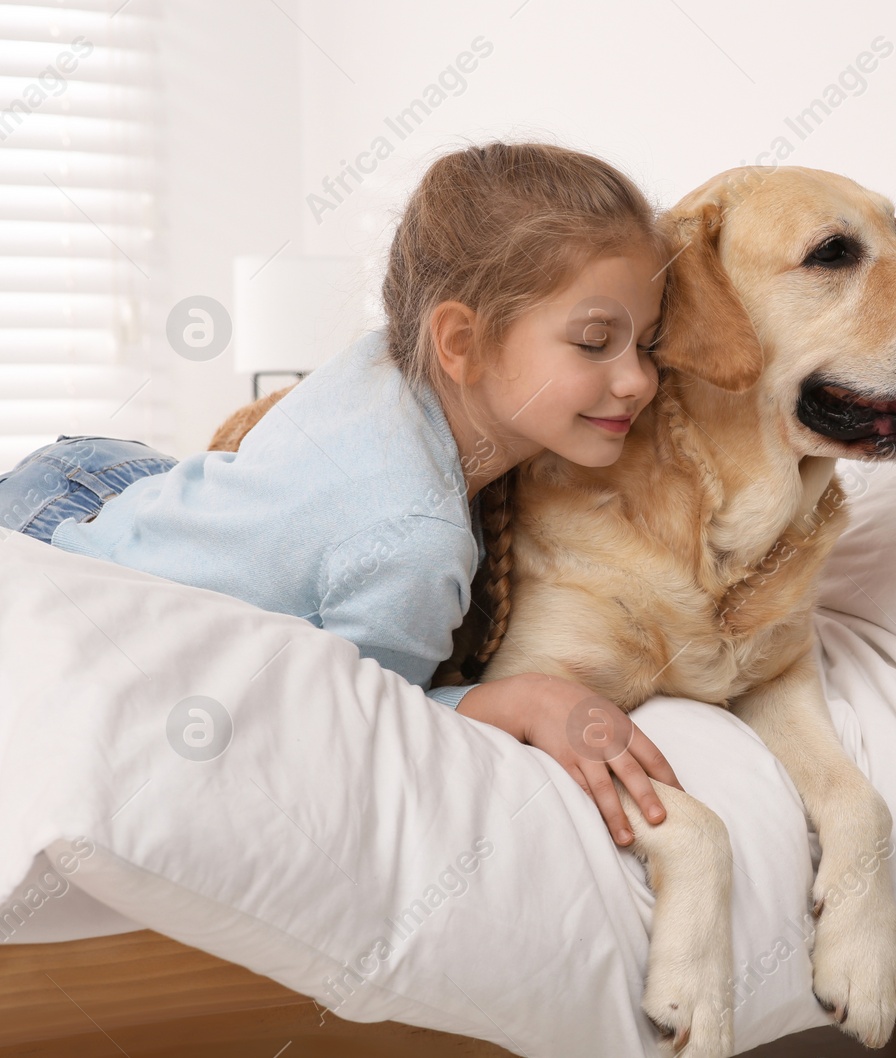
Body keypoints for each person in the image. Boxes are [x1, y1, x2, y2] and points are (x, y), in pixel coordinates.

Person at [0, 141, 681, 848]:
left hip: (101, 478)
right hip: (61, 543)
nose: (639, 381)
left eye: (648, 344)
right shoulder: (413, 536)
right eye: (596, 341)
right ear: (460, 341)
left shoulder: (391, 360)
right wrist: (521, 699)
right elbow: (368, 727)